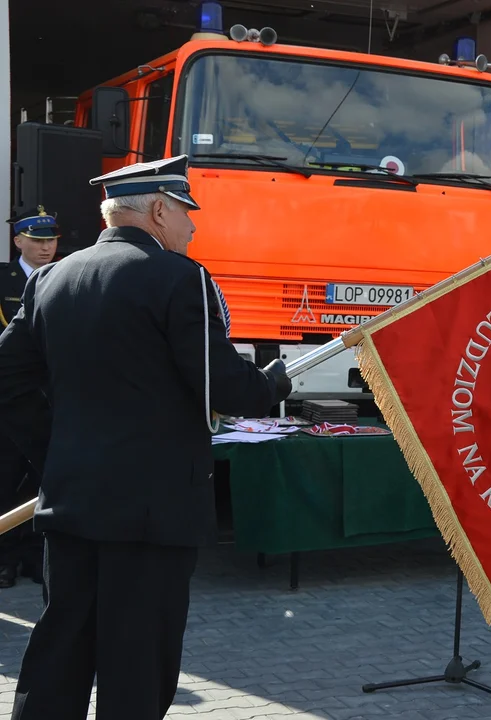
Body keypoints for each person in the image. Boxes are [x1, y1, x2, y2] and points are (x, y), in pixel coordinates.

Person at [0, 155, 293, 720]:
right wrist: (272, 382)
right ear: (159, 210)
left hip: (72, 500)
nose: (192, 226)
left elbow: (8, 380)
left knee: (59, 651)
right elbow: (224, 387)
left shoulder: (54, 278)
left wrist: (55, 451)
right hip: (152, 513)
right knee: (136, 663)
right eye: (186, 213)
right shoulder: (181, 278)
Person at [0, 206, 59, 588]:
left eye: (51, 240)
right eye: (36, 240)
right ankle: (4, 560)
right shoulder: (2, 278)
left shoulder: (66, 276)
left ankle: (37, 558)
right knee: (5, 478)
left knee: (44, 478)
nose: (45, 248)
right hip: (9, 397)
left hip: (51, 395)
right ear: (18, 240)